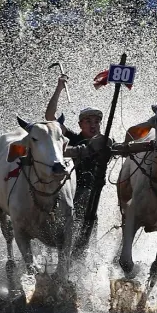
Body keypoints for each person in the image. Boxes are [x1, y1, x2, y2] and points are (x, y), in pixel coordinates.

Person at [44, 75, 110, 242]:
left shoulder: (106, 142)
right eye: (88, 121)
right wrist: (59, 88)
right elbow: (50, 117)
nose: (93, 124)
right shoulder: (73, 138)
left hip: (92, 200)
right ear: (80, 124)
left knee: (87, 238)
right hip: (68, 194)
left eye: (96, 121)